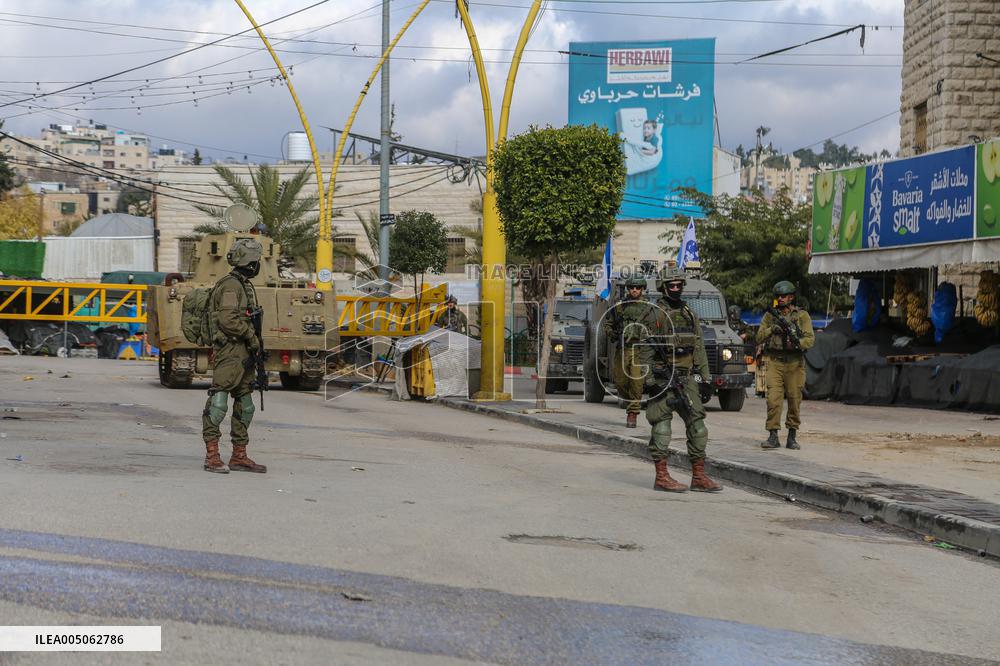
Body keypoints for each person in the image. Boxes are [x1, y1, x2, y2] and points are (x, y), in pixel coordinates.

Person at [644, 265, 722, 493]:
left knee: (698, 427)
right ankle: (661, 477)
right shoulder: (654, 314)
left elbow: (698, 347)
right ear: (663, 287)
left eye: (679, 285)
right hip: (662, 379)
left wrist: (705, 378)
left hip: (686, 379)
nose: (676, 289)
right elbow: (642, 351)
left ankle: (698, 476)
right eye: (671, 285)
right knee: (662, 426)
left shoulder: (689, 313)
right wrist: (649, 379)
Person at [201, 237, 268, 474]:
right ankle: (212, 456)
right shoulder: (231, 285)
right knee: (218, 402)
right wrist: (251, 336)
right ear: (251, 263)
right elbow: (228, 320)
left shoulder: (242, 284)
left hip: (244, 352)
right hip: (230, 350)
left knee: (245, 405)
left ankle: (239, 456)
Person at [756, 280, 815, 450]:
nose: (780, 299)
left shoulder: (801, 316)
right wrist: (771, 330)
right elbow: (759, 337)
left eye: (784, 296)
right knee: (773, 400)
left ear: (791, 297)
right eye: (778, 296)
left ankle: (792, 436)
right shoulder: (770, 316)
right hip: (775, 361)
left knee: (794, 400)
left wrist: (797, 343)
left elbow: (810, 339)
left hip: (795, 363)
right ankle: (773, 435)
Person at [603, 274, 656, 428]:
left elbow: (656, 327)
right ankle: (631, 401)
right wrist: (611, 334)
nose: (634, 290)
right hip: (623, 349)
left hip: (640, 350)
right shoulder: (619, 307)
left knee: (636, 383)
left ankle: (632, 413)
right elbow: (608, 323)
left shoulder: (649, 308)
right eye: (631, 287)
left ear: (642, 289)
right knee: (619, 381)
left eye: (637, 287)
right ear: (627, 289)